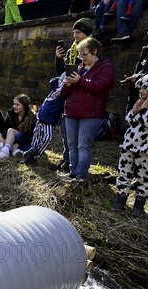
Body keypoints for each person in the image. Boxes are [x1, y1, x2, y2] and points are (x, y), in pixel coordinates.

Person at [61, 37, 114, 182]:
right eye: (80, 55)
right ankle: (73, 173)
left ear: (94, 51)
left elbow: (100, 86)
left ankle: (81, 175)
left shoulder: (105, 67)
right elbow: (64, 94)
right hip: (72, 111)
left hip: (91, 114)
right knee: (72, 145)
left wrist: (80, 80)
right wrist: (67, 84)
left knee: (83, 145)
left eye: (84, 54)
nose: (82, 58)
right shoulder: (79, 68)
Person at [51, 17, 94, 173]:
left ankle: (75, 167)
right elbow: (62, 71)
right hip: (69, 93)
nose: (75, 35)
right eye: (74, 32)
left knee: (78, 137)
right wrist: (58, 59)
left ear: (87, 33)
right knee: (66, 131)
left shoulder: (91, 50)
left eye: (78, 32)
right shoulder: (71, 50)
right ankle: (67, 160)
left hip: (82, 96)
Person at [111, 74, 148, 216]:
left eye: (145, 88)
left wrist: (141, 112)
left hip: (144, 148)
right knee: (124, 172)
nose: (142, 91)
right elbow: (129, 120)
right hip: (129, 144)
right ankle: (120, 198)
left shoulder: (143, 106)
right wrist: (135, 111)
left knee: (144, 175)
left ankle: (139, 203)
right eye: (141, 87)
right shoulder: (139, 102)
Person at [22, 76, 66, 165]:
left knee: (47, 137)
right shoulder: (55, 87)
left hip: (49, 121)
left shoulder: (64, 94)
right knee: (36, 136)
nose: (61, 83)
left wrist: (64, 85)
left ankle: (37, 151)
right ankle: (31, 157)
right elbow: (52, 81)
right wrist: (61, 78)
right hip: (40, 116)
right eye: (61, 82)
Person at [0, 94, 37, 159]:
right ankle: (14, 151)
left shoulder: (32, 116)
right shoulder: (11, 114)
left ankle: (5, 151)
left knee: (11, 130)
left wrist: (17, 144)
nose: (14, 106)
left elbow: (29, 134)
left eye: (17, 105)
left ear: (24, 106)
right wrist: (6, 138)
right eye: (14, 104)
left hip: (24, 142)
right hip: (11, 139)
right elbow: (5, 128)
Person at [120, 44, 148, 113]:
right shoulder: (146, 50)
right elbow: (140, 74)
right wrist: (132, 83)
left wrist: (138, 78)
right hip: (135, 108)